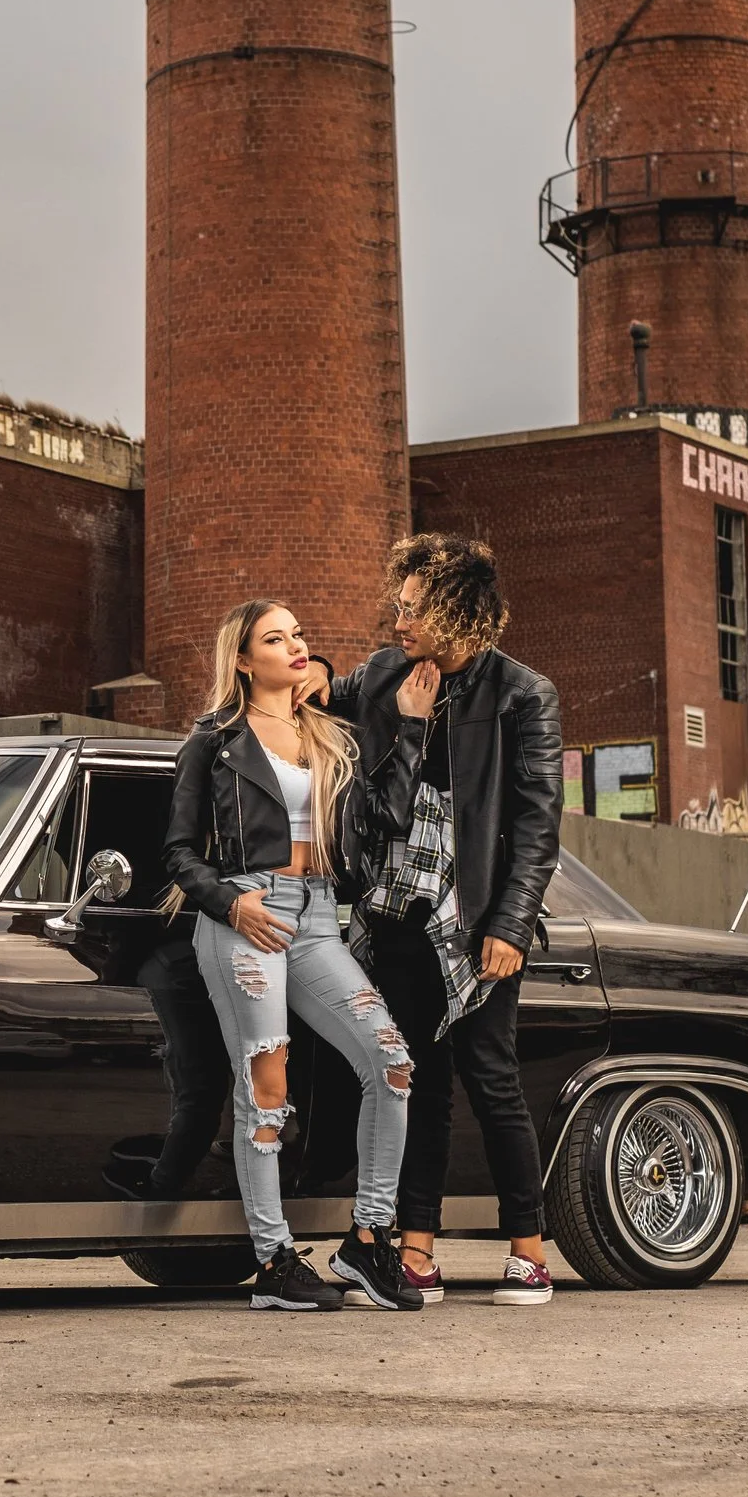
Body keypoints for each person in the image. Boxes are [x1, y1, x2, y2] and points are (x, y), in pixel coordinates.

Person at [317, 536, 563, 1306]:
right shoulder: (388, 673)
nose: (399, 617)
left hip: (479, 921)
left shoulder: (524, 695)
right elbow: (334, 693)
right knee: (417, 1083)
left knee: (493, 1081)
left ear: (457, 611)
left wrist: (511, 925)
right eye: (399, 601)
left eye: (413, 606)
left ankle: (528, 1250)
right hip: (398, 916)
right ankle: (417, 1248)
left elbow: (536, 827)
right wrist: (318, 674)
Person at [163, 599, 425, 1313]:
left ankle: (370, 1239)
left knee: (391, 1061)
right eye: (276, 638)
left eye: (299, 633)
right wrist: (228, 901)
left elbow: (385, 821)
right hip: (244, 914)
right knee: (267, 1087)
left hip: (316, 918)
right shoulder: (213, 740)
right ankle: (274, 1259)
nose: (296, 645)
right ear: (245, 660)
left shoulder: (329, 736)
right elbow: (179, 850)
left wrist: (410, 729)